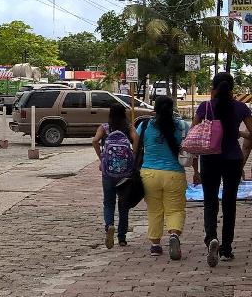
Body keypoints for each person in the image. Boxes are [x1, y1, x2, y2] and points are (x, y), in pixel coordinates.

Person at [192, 72, 252, 267]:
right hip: (233, 159)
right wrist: (237, 132)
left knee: (210, 202)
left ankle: (211, 239)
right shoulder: (241, 107)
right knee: (229, 203)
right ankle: (226, 248)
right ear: (232, 87)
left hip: (209, 159)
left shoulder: (206, 106)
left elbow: (194, 132)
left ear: (214, 88)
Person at [133, 96, 189, 260]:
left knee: (154, 210)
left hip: (149, 174)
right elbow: (191, 151)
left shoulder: (144, 126)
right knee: (175, 209)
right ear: (172, 109)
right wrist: (197, 173)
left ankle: (155, 245)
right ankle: (174, 235)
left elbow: (135, 150)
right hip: (174, 174)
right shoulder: (182, 126)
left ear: (154, 109)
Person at [92, 103, 137, 249]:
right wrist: (133, 156)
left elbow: (94, 141)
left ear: (110, 114)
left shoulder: (105, 127)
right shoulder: (128, 127)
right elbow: (136, 139)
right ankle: (122, 238)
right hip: (125, 173)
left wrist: (102, 158)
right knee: (123, 205)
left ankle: (109, 225)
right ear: (124, 114)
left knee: (108, 202)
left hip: (108, 172)